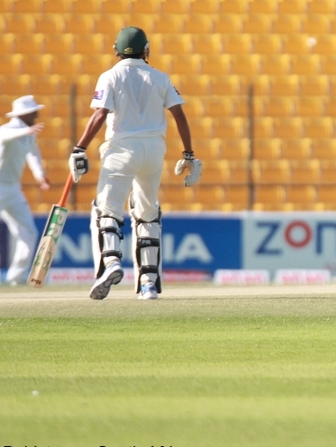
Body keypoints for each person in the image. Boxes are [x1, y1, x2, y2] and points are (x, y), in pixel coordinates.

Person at [69, 26, 202, 301]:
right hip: (154, 150)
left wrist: (79, 148)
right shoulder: (160, 77)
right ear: (146, 49)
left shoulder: (110, 76)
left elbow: (100, 115)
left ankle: (112, 262)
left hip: (121, 150)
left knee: (106, 209)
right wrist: (189, 155)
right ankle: (148, 284)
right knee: (147, 212)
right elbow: (180, 116)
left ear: (117, 50)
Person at [0, 96, 51, 285]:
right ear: (25, 114)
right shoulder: (7, 130)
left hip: (13, 189)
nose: (37, 115)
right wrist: (26, 131)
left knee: (28, 232)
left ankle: (17, 277)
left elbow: (33, 155)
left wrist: (40, 176)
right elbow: (3, 136)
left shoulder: (30, 133)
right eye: (34, 112)